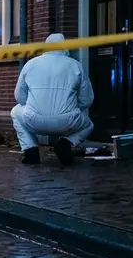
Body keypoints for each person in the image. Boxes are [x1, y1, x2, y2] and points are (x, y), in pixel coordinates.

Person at [11, 33, 94, 166]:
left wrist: (36, 106)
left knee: (15, 112)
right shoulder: (76, 66)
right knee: (89, 125)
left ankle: (30, 149)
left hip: (34, 120)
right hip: (67, 121)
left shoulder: (30, 64)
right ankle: (66, 143)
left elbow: (19, 97)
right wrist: (72, 108)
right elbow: (87, 100)